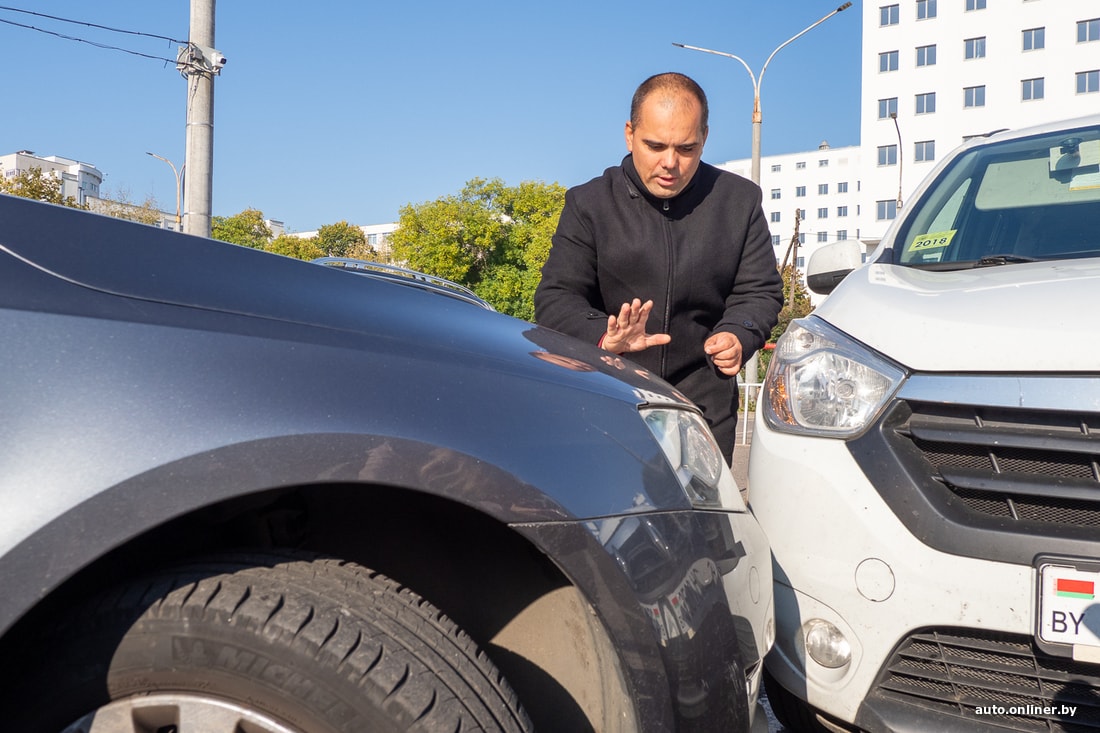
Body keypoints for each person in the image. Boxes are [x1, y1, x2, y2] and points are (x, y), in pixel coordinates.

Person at [534, 72, 784, 463]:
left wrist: (738, 333)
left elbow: (760, 291)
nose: (670, 163)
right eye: (655, 146)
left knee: (699, 505)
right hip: (608, 398)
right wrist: (605, 338)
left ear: (704, 138)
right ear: (629, 134)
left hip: (703, 407)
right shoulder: (588, 204)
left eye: (686, 148)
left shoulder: (740, 201)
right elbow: (555, 298)